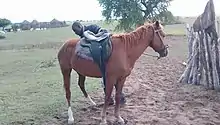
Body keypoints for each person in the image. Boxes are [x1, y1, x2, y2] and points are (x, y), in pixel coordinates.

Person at [71, 21, 126, 105]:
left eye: (75, 31)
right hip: (98, 56)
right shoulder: (82, 37)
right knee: (106, 78)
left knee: (110, 76)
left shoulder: (92, 27)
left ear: (79, 26)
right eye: (74, 32)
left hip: (105, 50)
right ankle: (110, 98)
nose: (76, 33)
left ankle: (118, 96)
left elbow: (102, 31)